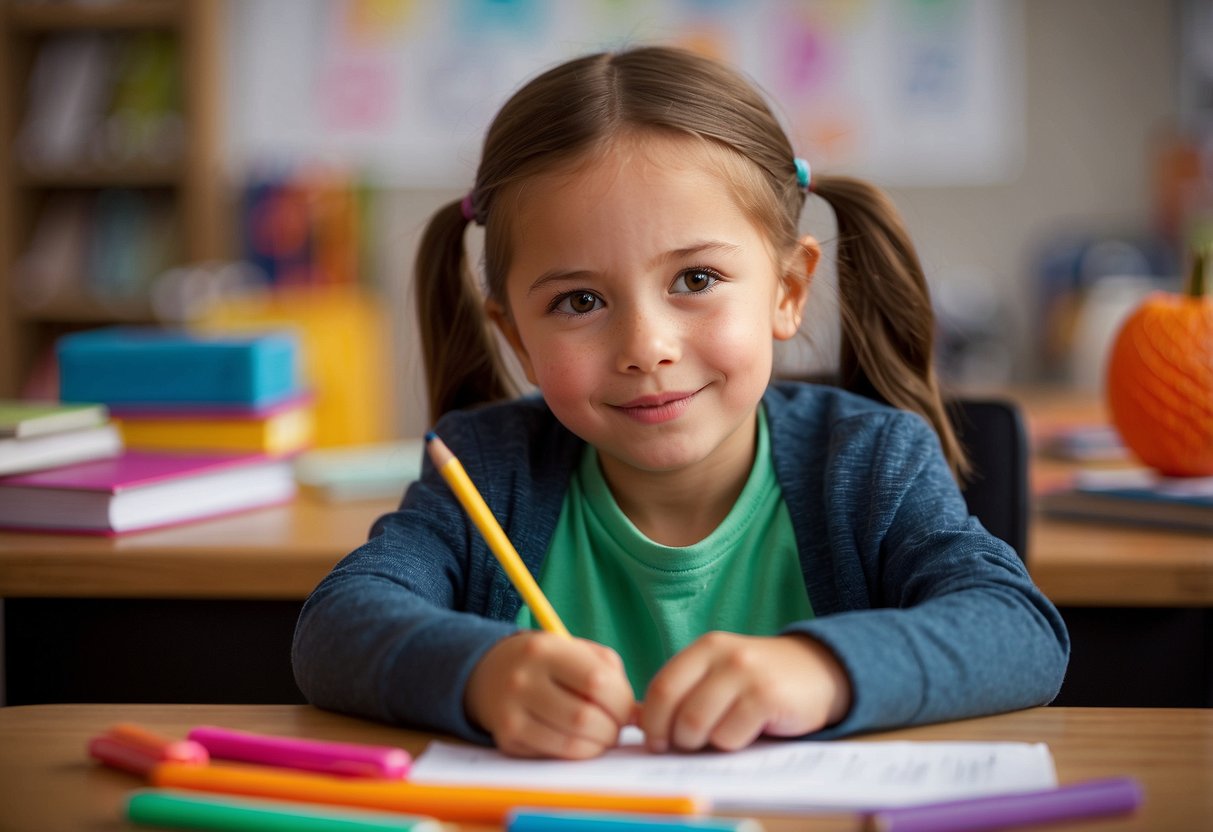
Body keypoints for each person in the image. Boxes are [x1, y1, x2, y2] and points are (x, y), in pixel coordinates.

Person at [292, 45, 1069, 760]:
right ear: (517, 335)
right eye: (578, 301)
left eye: (694, 280)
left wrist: (820, 671)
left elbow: (1018, 631)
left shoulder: (868, 461)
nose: (645, 345)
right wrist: (479, 675)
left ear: (789, 290)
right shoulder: (486, 473)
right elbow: (333, 629)